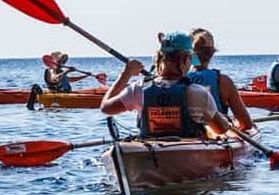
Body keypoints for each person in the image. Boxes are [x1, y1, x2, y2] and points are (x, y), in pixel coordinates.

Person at [100, 31, 233, 138]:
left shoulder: (138, 88)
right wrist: (225, 120)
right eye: (190, 60)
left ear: (159, 57)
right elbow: (221, 129)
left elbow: (106, 108)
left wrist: (125, 74)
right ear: (185, 59)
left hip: (151, 150)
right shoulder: (198, 93)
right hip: (186, 153)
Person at [187, 28, 254, 131]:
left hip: (186, 134)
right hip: (217, 133)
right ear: (212, 53)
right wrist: (232, 124)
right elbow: (246, 124)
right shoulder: (223, 81)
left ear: (188, 54)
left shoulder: (179, 79)